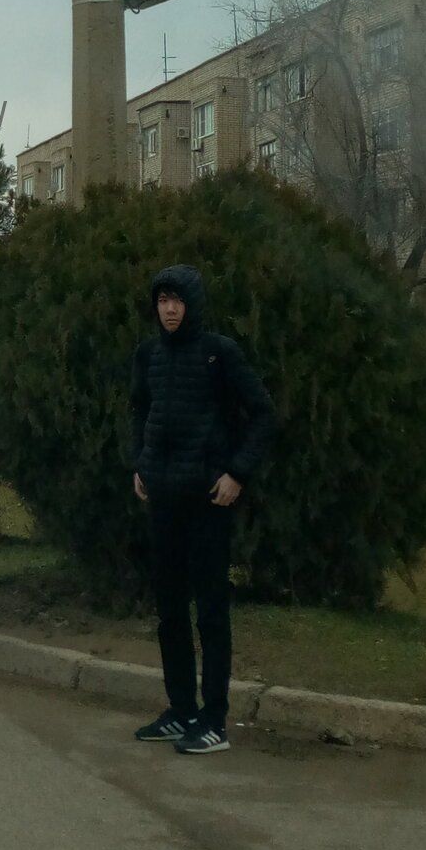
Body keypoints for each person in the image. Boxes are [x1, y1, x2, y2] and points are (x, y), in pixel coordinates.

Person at [126, 263, 275, 755]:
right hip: (163, 501)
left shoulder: (220, 353)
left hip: (209, 502)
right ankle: (181, 710)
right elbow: (139, 411)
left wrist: (237, 474)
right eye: (162, 300)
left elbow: (263, 414)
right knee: (169, 610)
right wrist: (139, 463)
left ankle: (213, 721)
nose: (169, 309)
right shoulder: (148, 354)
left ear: (192, 304)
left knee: (210, 612)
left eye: (177, 300)